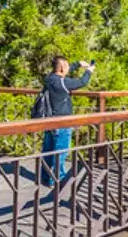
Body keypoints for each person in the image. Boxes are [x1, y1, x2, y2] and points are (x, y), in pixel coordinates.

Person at [40, 55, 95, 185]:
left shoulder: (49, 80)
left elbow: (64, 72)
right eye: (66, 65)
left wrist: (78, 64)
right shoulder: (63, 83)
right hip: (62, 122)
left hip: (48, 122)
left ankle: (46, 178)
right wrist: (89, 71)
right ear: (61, 68)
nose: (68, 67)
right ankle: (60, 182)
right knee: (60, 153)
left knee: (48, 151)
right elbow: (81, 82)